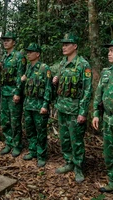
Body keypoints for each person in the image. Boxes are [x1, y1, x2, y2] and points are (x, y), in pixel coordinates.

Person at [52, 33, 92, 183]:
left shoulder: (83, 64)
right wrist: (56, 80)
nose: (64, 46)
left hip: (75, 110)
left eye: (67, 44)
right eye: (63, 44)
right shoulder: (62, 63)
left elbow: (87, 90)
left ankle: (79, 167)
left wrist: (83, 112)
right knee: (65, 139)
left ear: (75, 46)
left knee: (77, 140)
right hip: (62, 108)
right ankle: (68, 162)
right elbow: (60, 83)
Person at [21, 43, 52, 167]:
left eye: (31, 52)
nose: (28, 54)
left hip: (39, 106)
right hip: (28, 104)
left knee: (41, 132)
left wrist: (45, 105)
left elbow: (48, 88)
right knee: (30, 130)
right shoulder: (28, 68)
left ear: (37, 54)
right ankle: (33, 151)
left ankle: (41, 155)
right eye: (27, 52)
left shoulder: (45, 68)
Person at [0, 32, 26, 157]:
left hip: (14, 92)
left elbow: (21, 76)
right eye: (4, 40)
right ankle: (8, 143)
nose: (5, 42)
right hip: (4, 92)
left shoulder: (19, 56)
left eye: (8, 40)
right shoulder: (4, 57)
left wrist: (18, 93)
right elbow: (3, 75)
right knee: (5, 120)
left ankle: (17, 145)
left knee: (15, 121)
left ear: (14, 42)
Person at [92, 40, 113, 192]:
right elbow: (98, 95)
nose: (109, 53)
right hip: (108, 118)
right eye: (109, 51)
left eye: (112, 51)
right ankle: (112, 181)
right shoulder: (106, 72)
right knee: (108, 152)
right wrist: (95, 114)